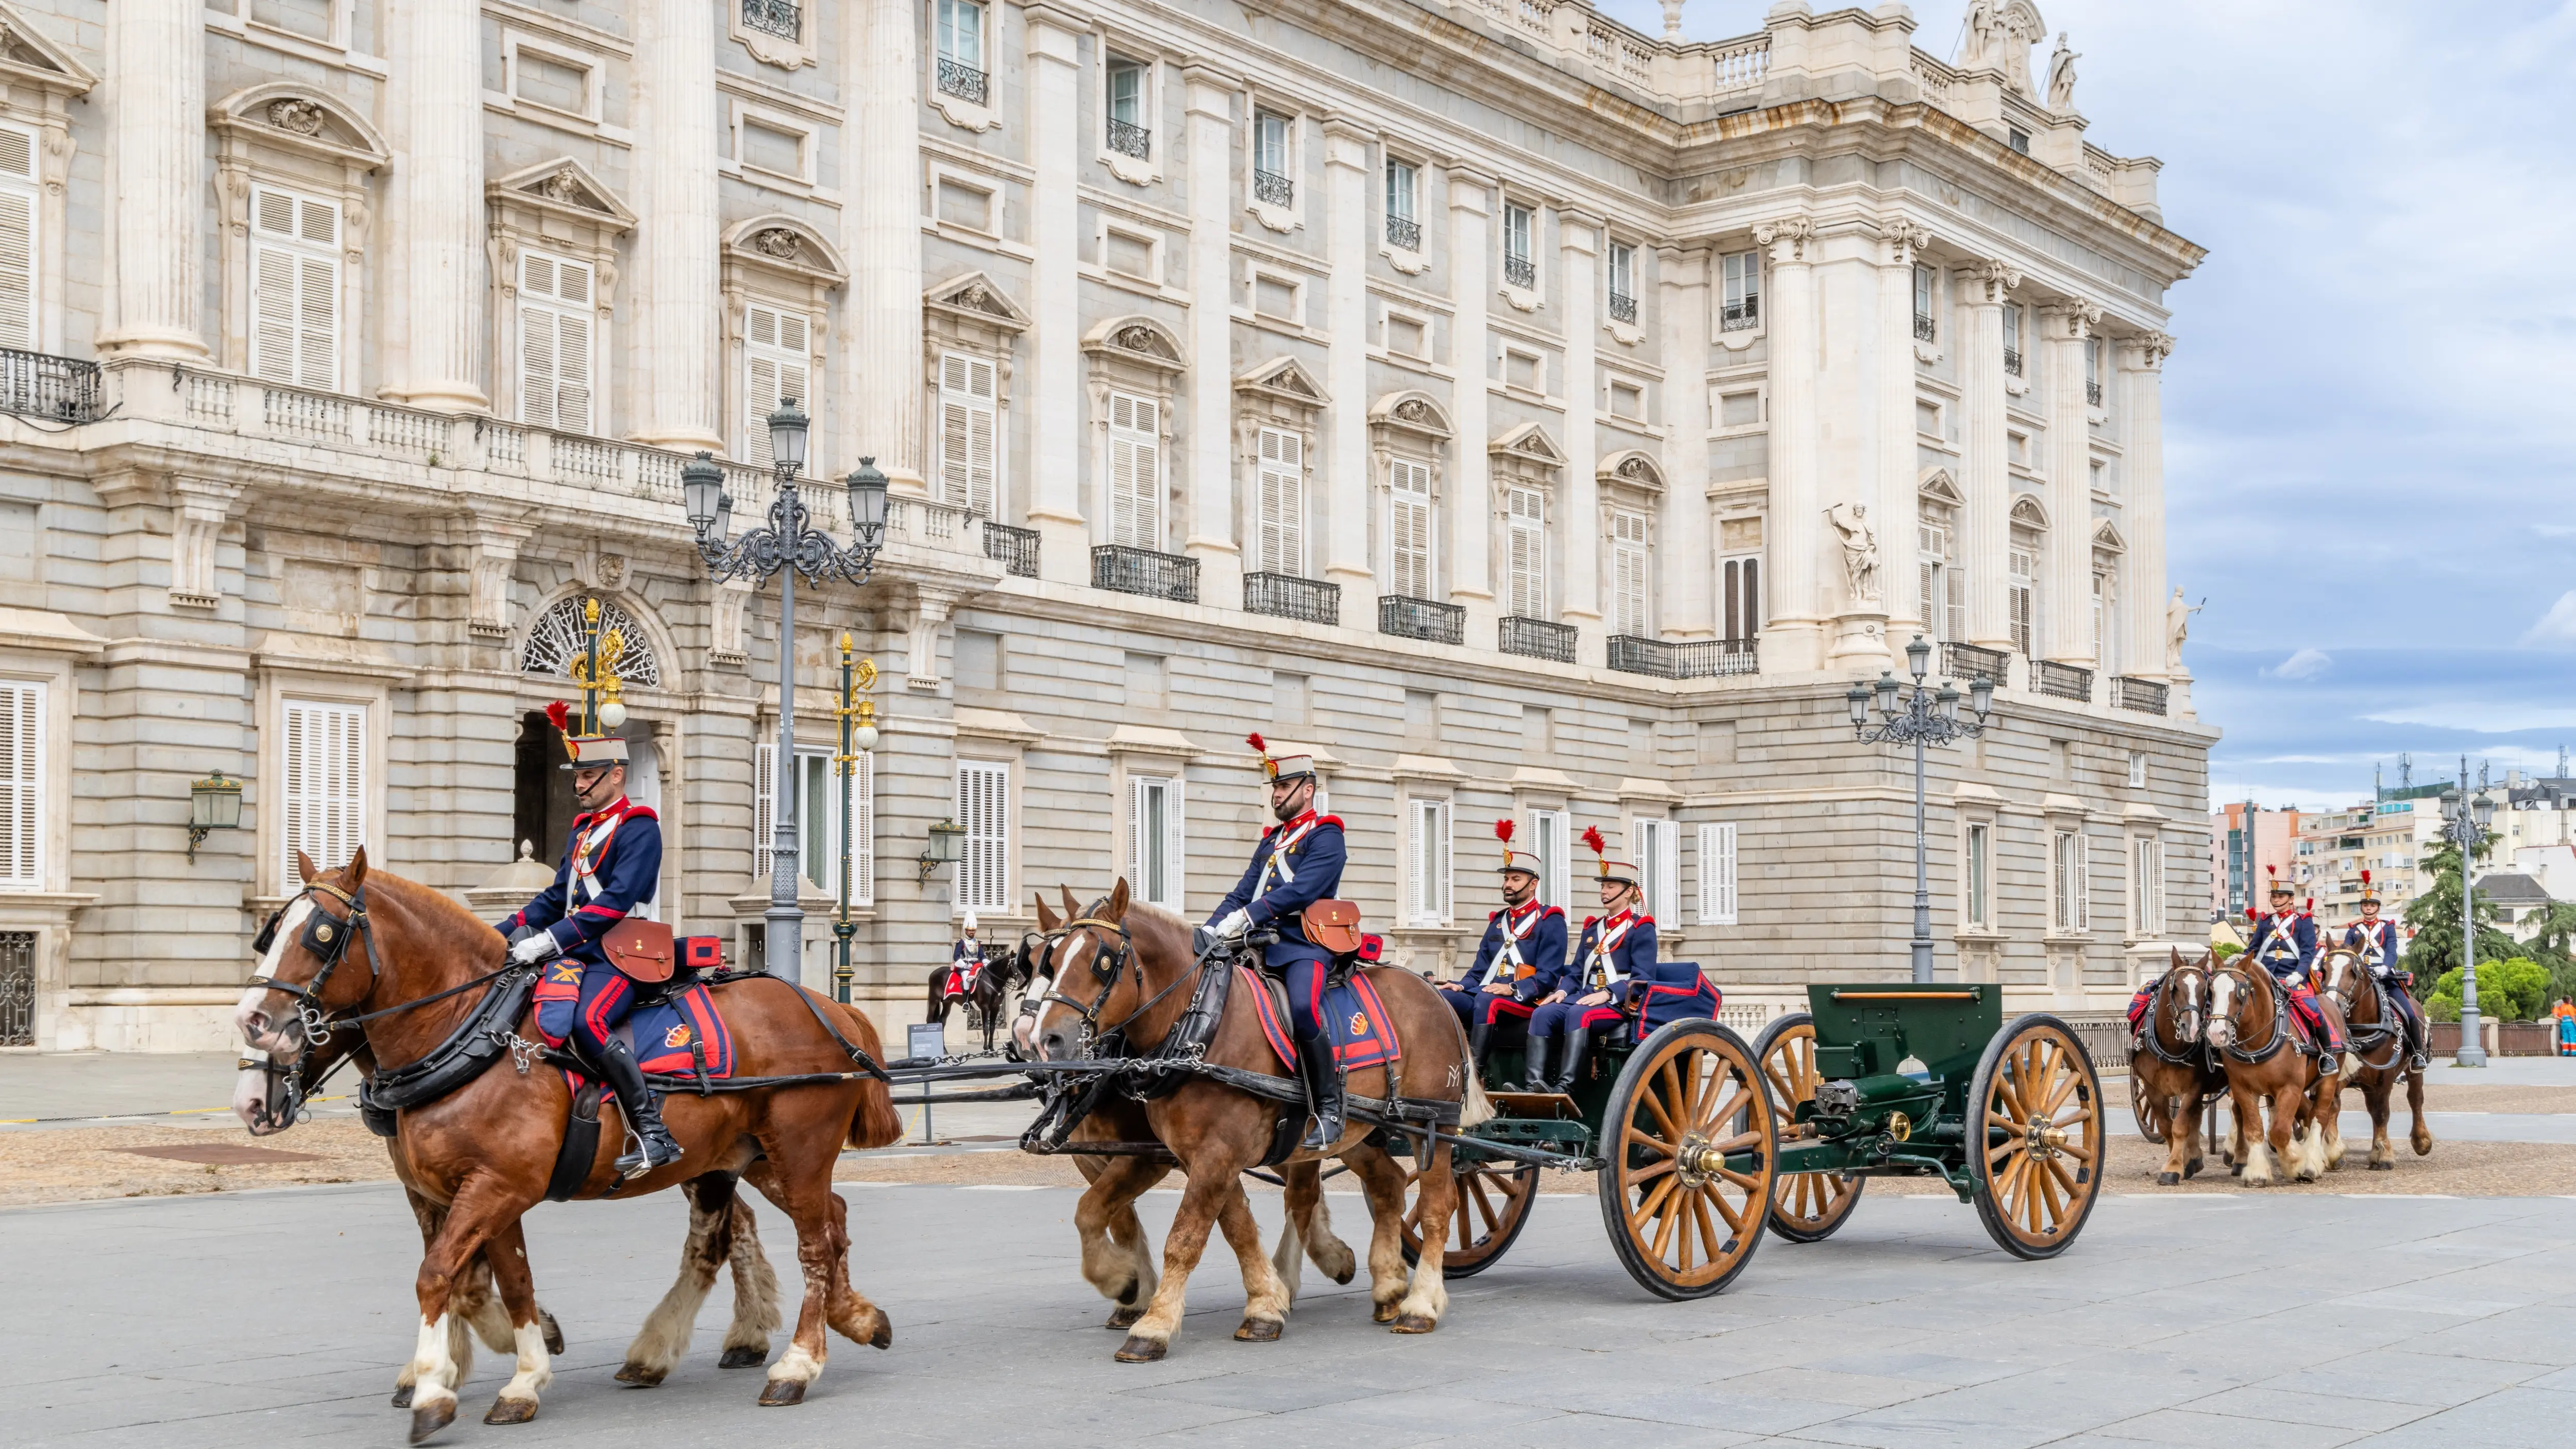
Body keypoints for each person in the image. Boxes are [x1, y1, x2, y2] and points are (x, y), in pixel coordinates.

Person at [497, 715, 680, 1177]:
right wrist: (498, 933)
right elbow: (558, 896)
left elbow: (617, 901)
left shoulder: (639, 828)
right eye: (577, 775)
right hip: (578, 951)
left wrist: (549, 940)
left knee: (589, 1020)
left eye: (586, 775)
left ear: (616, 774)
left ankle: (653, 1131)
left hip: (621, 953)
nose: (578, 784)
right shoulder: (583, 830)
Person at [1198, 734, 1348, 1150]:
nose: (1277, 795)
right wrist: (1209, 931)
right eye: (1275, 788)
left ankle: (1330, 1106)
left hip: (1302, 945)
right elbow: (1240, 892)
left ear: (1308, 789)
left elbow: (1302, 891)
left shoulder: (1326, 835)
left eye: (1283, 787)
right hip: (1254, 946)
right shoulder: (1270, 842)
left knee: (1303, 1010)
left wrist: (1247, 916)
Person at [1524, 827, 1658, 1095]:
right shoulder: (1592, 929)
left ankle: (1566, 1088)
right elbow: (1576, 973)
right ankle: (1533, 1087)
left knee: (1579, 1013)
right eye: (1603, 887)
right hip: (1583, 997)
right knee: (1543, 1013)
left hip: (1617, 1005)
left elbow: (1643, 977)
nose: (1604, 892)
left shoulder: (1641, 928)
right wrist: (1561, 991)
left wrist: (1608, 994)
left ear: (1629, 892)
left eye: (1611, 887)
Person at [1440, 821, 1568, 1084]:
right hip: (1485, 992)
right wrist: (1461, 987)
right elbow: (1479, 971)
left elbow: (1548, 976)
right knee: (1441, 997)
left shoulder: (1550, 919)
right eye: (1506, 879)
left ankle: (1473, 1078)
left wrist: (1512, 988)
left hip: (1525, 999)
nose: (1508, 884)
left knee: (1489, 1001)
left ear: (1533, 884)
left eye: (1516, 879)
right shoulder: (1498, 921)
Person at [2247, 867, 2346, 1070]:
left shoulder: (2303, 922)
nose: (2276, 900)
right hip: (2264, 976)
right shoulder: (2265, 921)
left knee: (2313, 1010)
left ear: (2291, 899)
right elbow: (2253, 949)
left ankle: (2327, 1053)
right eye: (2274, 896)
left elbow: (2308, 953)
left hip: (2291, 977)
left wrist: (2299, 974)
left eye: (2280, 896)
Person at [2343, 872, 2426, 1071]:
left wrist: (2385, 967)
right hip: (2360, 978)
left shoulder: (2387, 928)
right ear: (2361, 907)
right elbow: (2346, 953)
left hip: (2384, 978)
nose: (2368, 909)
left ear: (2378, 908)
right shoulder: (2353, 930)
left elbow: (2392, 952)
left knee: (2410, 1014)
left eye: (2372, 906)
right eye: (2365, 905)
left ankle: (2417, 1054)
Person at [944, 913, 983, 1001]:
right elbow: (956, 957)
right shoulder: (961, 942)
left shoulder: (978, 942)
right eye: (970, 930)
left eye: (973, 930)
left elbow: (982, 955)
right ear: (966, 931)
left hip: (976, 966)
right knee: (966, 980)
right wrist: (965, 966)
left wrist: (985, 961)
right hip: (965, 967)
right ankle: (966, 1001)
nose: (971, 932)